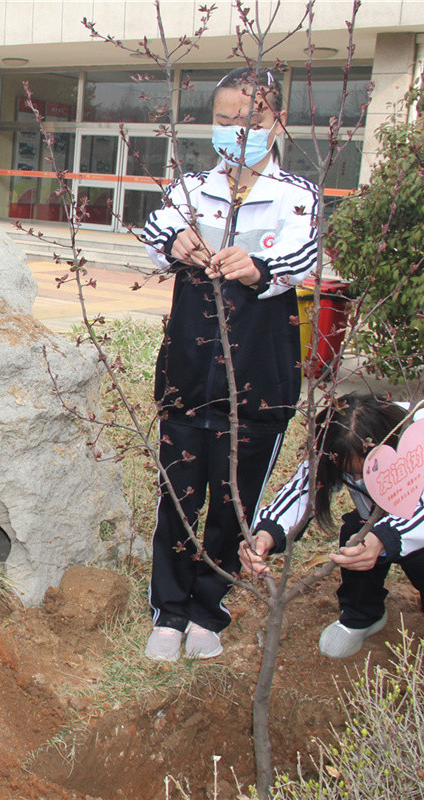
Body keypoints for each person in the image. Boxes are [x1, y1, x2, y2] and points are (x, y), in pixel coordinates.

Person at [138, 67, 320, 661]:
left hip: (259, 381)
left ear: (277, 123)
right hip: (190, 370)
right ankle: (167, 610)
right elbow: (151, 230)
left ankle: (208, 610)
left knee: (234, 500)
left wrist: (260, 267)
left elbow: (304, 252)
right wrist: (175, 245)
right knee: (179, 495)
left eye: (252, 120)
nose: (236, 131)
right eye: (224, 120)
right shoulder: (191, 188)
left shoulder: (297, 195)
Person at [243, 394, 424, 662]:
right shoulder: (334, 442)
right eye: (352, 473)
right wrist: (267, 532)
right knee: (356, 534)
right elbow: (304, 488)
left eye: (366, 470)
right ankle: (362, 616)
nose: (361, 482)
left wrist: (383, 538)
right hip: (397, 514)